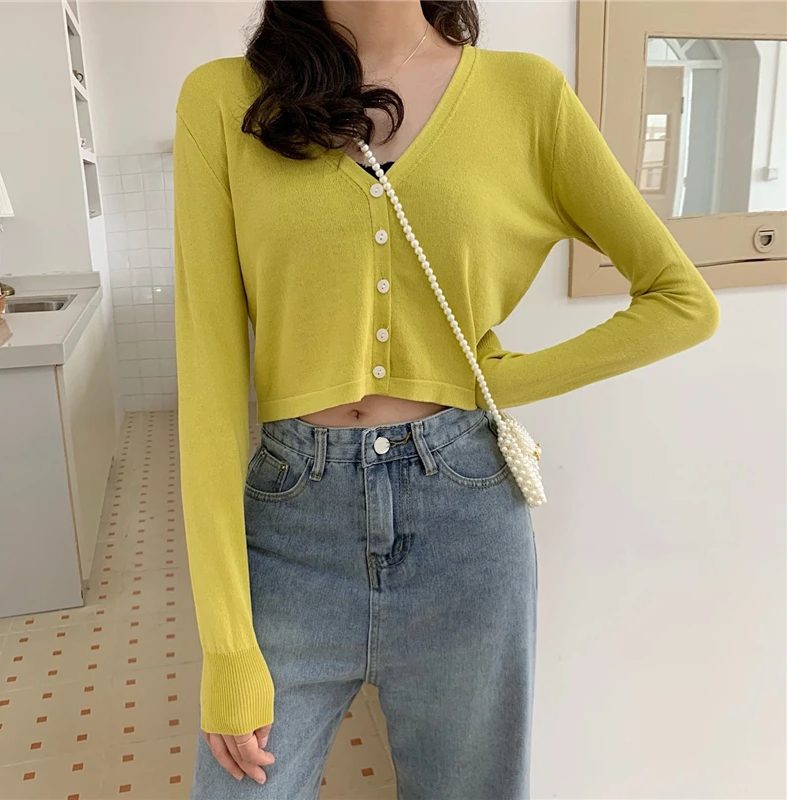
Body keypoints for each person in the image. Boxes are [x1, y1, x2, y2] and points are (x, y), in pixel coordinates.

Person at [173, 1, 720, 798]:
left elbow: (681, 301)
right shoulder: (226, 99)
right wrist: (226, 649)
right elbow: (209, 383)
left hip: (466, 519)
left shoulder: (525, 95)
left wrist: (501, 382)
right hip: (291, 528)